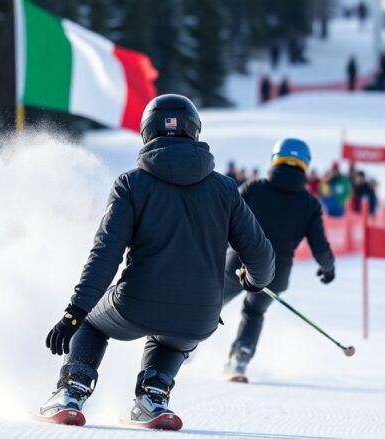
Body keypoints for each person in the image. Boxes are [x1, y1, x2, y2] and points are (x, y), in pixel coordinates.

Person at [39, 94, 275, 430]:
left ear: (147, 132)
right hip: (201, 314)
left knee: (91, 321)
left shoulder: (131, 183)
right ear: (194, 131)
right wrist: (254, 281)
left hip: (136, 302)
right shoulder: (225, 188)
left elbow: (105, 254)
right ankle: (153, 396)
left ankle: (72, 390)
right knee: (174, 334)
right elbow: (261, 255)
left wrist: (74, 311)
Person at [222, 138, 335, 381]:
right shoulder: (310, 204)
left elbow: (224, 220)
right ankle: (240, 356)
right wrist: (328, 269)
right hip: (275, 273)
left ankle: (184, 346)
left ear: (276, 159)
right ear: (304, 165)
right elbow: (320, 247)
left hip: (238, 264)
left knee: (210, 303)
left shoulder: (253, 188)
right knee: (253, 312)